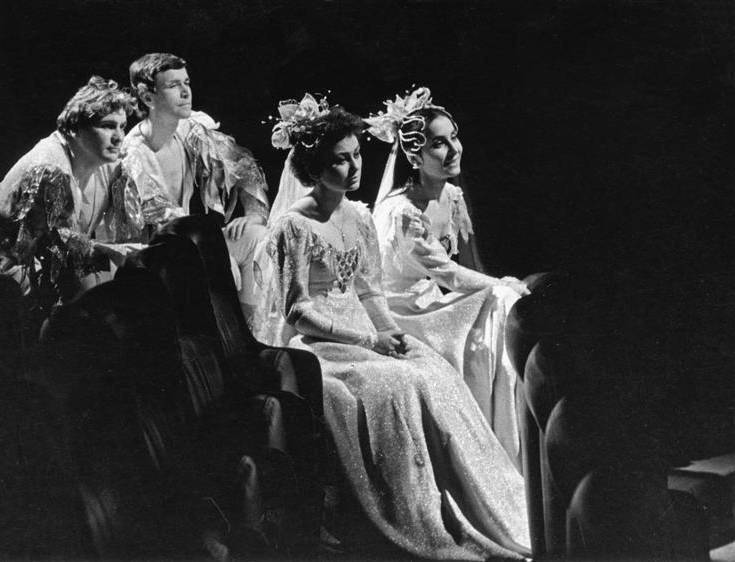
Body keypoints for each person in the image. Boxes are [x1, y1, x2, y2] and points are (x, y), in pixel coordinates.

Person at [253, 95, 529, 560]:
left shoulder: (359, 216)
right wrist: (370, 339)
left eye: (357, 153)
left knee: (434, 371)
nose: (355, 166)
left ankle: (482, 503)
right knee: (397, 385)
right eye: (341, 159)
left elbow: (370, 291)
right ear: (314, 167)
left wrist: (391, 334)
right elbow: (297, 311)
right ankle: (418, 517)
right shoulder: (293, 227)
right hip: (324, 343)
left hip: (368, 331)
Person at [368, 88, 529, 467]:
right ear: (414, 156)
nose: (453, 149)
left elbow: (465, 265)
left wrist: (495, 288)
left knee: (498, 306)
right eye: (438, 144)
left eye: (454, 137)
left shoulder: (451, 196)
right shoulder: (401, 212)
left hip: (430, 301)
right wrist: (501, 286)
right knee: (501, 299)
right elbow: (449, 274)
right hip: (401, 313)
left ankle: (510, 425)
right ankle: (496, 441)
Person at [118, 52, 269, 322]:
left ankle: (249, 330)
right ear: (148, 98)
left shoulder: (189, 129)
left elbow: (242, 165)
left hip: (191, 244)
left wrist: (254, 213)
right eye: (173, 85)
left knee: (256, 236)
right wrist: (215, 253)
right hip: (154, 257)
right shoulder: (135, 152)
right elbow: (165, 221)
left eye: (186, 82)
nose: (186, 92)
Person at [0, 76, 140, 323]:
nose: (119, 137)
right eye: (107, 126)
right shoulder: (50, 168)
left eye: (122, 126)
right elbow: (57, 250)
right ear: (75, 128)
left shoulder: (108, 162)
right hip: (10, 275)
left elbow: (119, 233)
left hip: (62, 267)